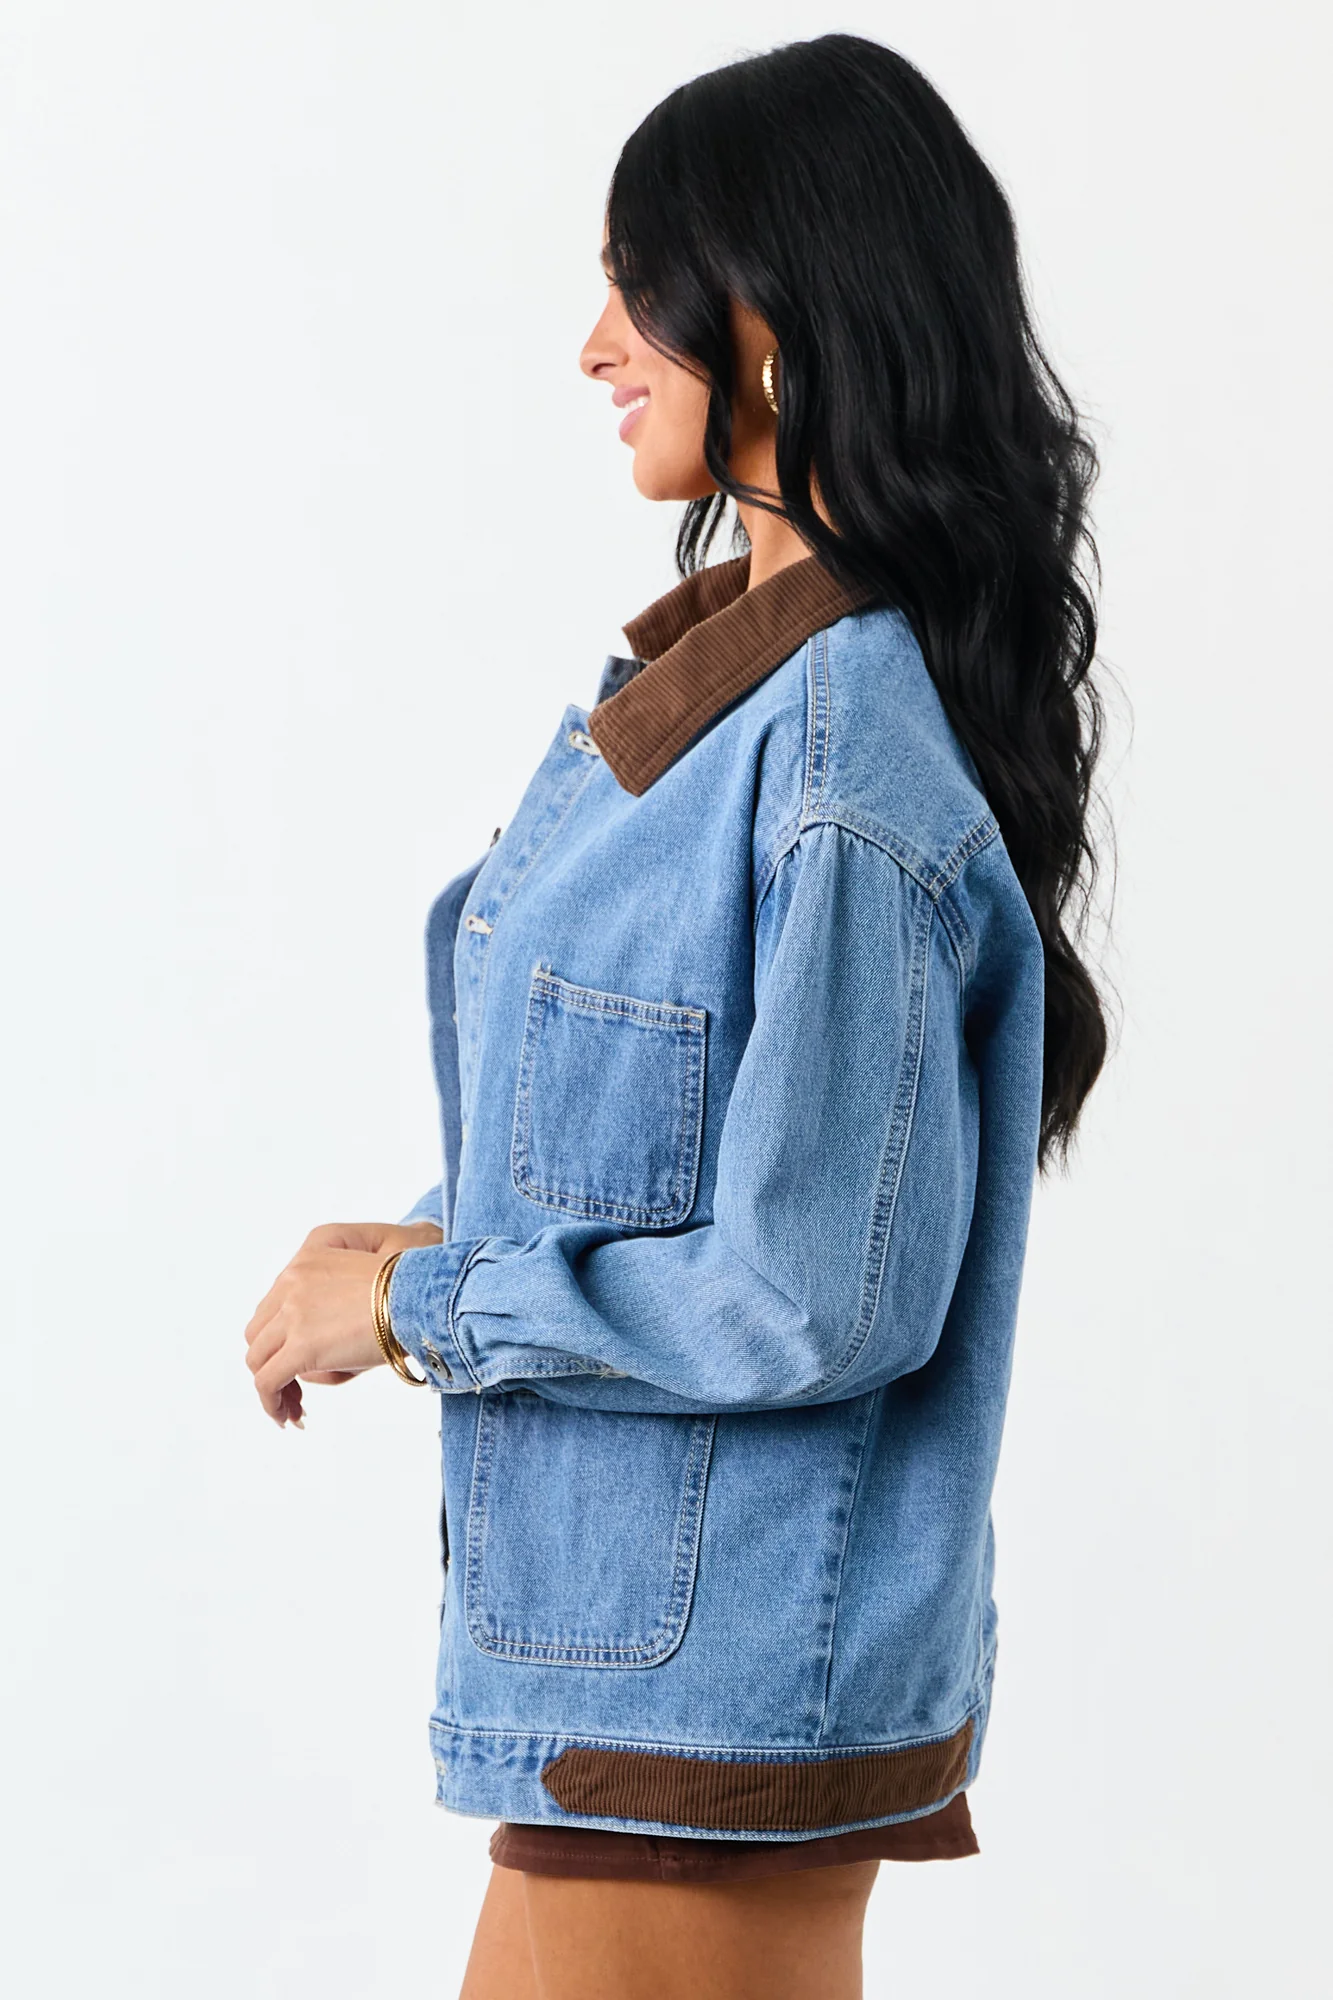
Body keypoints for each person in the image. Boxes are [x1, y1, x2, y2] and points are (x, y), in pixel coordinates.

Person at [244, 34, 1107, 2000]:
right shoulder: (743, 711)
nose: (594, 346)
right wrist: (415, 1248)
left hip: (702, 1713)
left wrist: (424, 1304)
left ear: (775, 328)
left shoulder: (837, 767)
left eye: (640, 291)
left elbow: (810, 1292)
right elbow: (663, 1166)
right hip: (639, 1701)